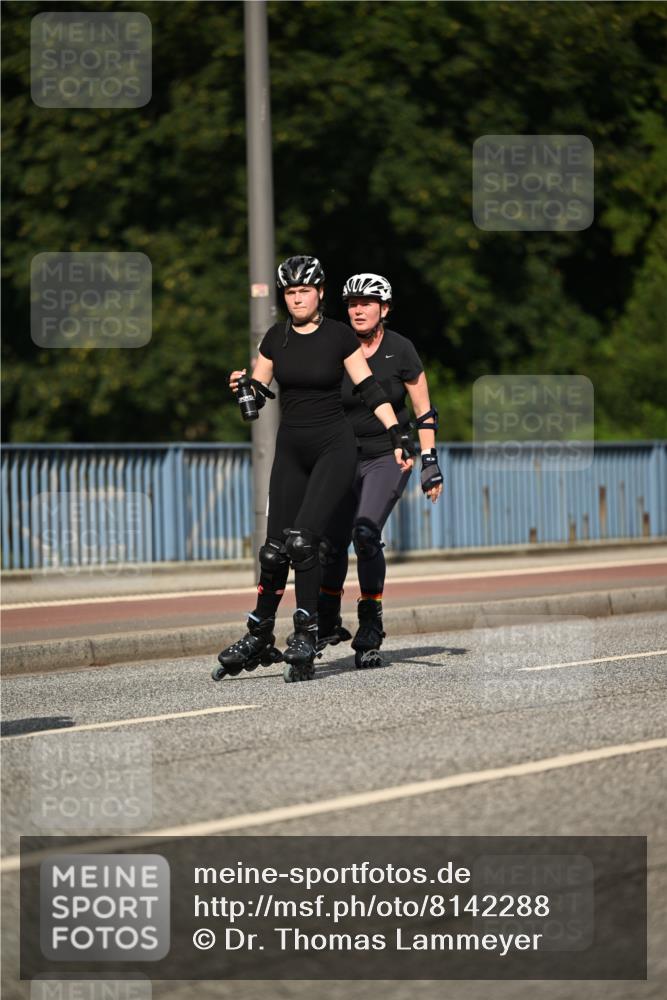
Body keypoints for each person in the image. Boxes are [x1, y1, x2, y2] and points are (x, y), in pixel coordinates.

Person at [214, 256, 413, 683]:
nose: (297, 298)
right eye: (290, 292)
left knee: (304, 542)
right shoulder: (275, 338)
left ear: (320, 293)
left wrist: (397, 432)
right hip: (292, 448)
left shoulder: (340, 337)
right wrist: (243, 387)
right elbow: (258, 397)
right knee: (273, 551)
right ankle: (260, 632)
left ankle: (306, 634)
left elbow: (369, 387)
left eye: (304, 291)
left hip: (333, 448)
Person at [317, 272, 444, 668]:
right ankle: (326, 620)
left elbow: (423, 410)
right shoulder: (335, 346)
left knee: (365, 533)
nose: (358, 309)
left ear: (383, 309)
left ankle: (370, 621)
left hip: (387, 455)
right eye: (352, 303)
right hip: (339, 455)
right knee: (328, 542)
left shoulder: (400, 349)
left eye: (367, 303)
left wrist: (429, 461)